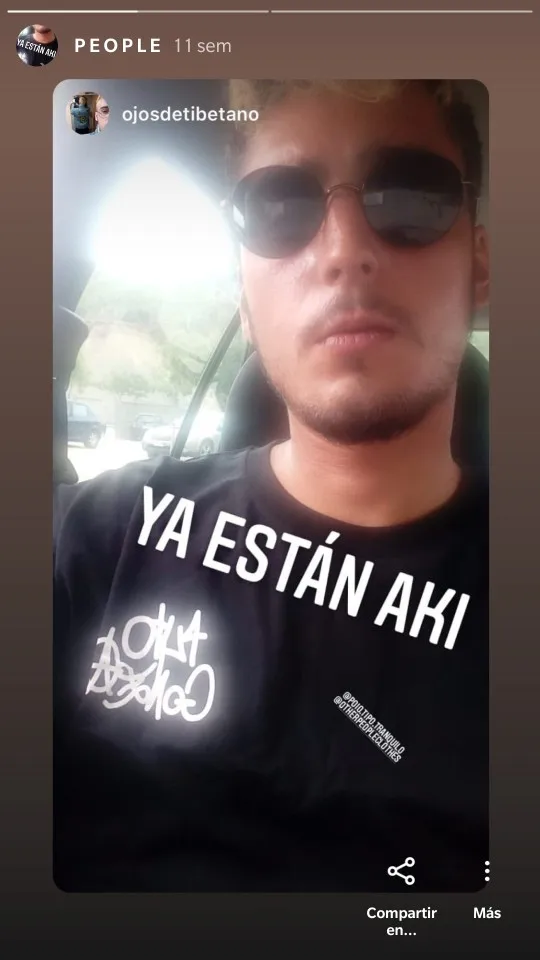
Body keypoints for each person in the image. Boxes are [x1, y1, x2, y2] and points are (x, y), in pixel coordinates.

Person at [53, 79, 490, 892]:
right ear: (245, 301)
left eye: (411, 196)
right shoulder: (95, 542)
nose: (343, 250)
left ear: (480, 261)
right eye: (279, 207)